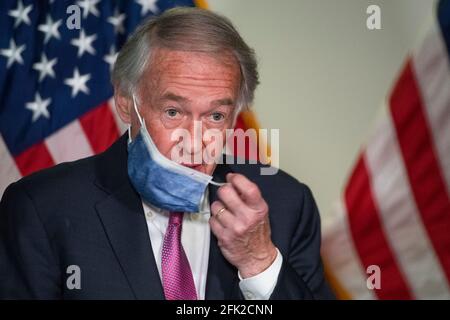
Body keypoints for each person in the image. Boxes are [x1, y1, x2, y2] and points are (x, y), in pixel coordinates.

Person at [0, 7, 334, 300]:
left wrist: (259, 262)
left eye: (215, 116)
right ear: (126, 102)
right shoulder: (41, 208)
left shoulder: (287, 204)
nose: (194, 140)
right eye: (173, 111)